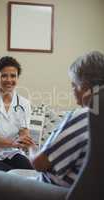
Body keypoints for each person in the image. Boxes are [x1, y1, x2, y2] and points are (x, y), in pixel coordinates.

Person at [29, 51, 104, 190]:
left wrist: (31, 147)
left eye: (73, 85)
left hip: (53, 192)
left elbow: (39, 164)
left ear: (85, 86)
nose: (73, 91)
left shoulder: (83, 116)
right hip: (86, 193)